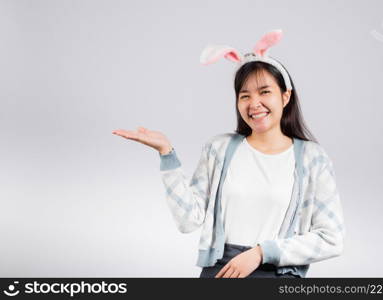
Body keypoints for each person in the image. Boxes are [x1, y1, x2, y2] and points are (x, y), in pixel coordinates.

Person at [112, 29, 345, 278]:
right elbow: (188, 220)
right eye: (245, 95)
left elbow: (331, 238)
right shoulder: (219, 149)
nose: (254, 103)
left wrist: (261, 253)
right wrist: (167, 153)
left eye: (265, 91)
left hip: (276, 273)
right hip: (219, 271)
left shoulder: (313, 158)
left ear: (285, 96)